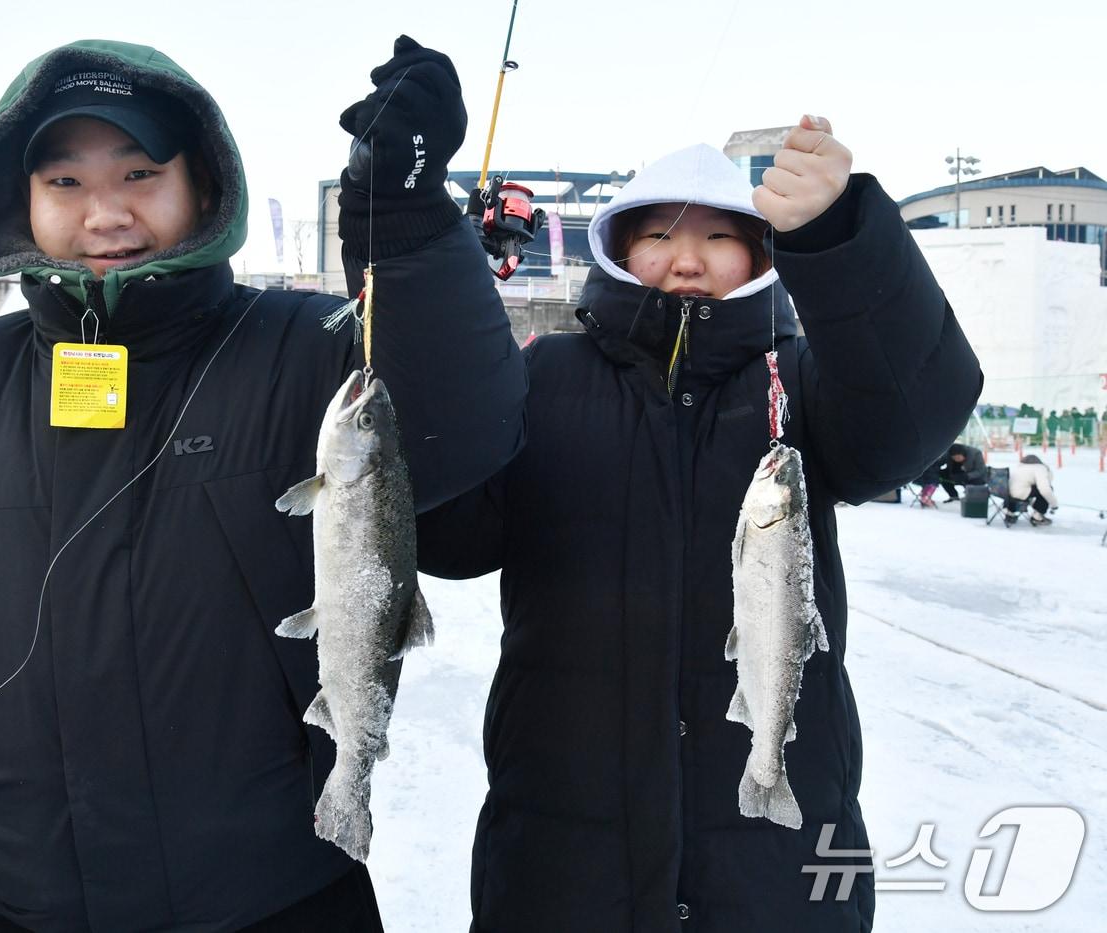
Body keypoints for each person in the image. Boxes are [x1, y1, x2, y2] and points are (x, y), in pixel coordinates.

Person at [0, 37, 526, 932]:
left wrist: (407, 228)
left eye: (138, 174)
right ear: (18, 200)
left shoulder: (312, 349)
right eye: (65, 183)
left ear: (202, 189)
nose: (104, 213)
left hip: (286, 900)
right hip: (21, 908)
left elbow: (459, 471)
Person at [418, 119, 981, 931]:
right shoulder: (542, 377)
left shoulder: (802, 383)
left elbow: (913, 417)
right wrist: (431, 294)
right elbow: (450, 531)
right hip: (558, 875)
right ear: (616, 249)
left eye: (719, 236)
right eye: (657, 235)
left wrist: (838, 238)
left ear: (759, 253)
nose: (687, 259)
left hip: (779, 878)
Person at [915, 442, 987, 505]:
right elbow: (939, 463)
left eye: (958, 457)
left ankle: (972, 500)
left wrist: (966, 476)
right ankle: (953, 496)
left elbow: (980, 471)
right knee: (942, 475)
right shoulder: (948, 454)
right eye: (954, 458)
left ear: (963, 454)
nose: (956, 459)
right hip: (954, 474)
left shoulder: (975, 453)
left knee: (977, 480)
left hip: (972, 476)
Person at [1009, 454, 1058, 526]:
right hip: (1020, 494)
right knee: (1046, 490)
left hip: (1009, 495)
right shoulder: (1040, 468)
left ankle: (1009, 513)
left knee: (1028, 488)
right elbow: (1045, 489)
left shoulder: (1019, 467)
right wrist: (1054, 505)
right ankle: (1037, 516)